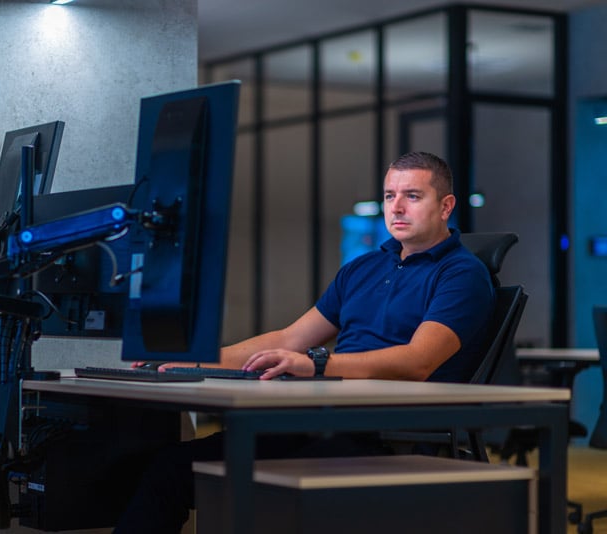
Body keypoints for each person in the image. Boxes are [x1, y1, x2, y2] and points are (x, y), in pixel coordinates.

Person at [115, 151, 496, 533]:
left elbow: (418, 362)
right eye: (388, 196)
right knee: (171, 469)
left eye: (412, 196)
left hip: (388, 434)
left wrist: (316, 364)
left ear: (445, 206)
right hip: (321, 421)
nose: (396, 207)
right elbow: (289, 338)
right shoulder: (362, 269)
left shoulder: (462, 274)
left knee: (272, 494)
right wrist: (191, 361)